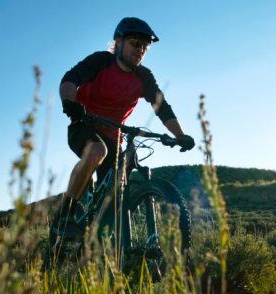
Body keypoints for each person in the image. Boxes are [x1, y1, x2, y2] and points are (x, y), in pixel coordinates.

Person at [58, 17, 195, 206]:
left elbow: (162, 108)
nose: (141, 50)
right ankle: (66, 215)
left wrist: (180, 135)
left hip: (113, 137)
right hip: (83, 126)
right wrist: (69, 102)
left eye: (145, 47)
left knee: (117, 188)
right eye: (136, 43)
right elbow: (71, 78)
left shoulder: (144, 77)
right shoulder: (101, 61)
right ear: (118, 41)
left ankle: (106, 228)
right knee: (97, 151)